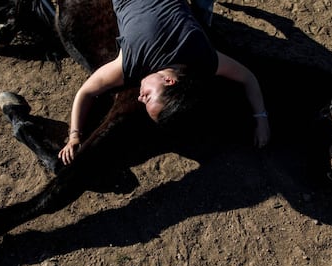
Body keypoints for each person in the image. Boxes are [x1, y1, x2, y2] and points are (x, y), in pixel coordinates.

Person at [58, 0, 271, 165]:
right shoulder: (132, 59)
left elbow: (247, 78)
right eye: (148, 96)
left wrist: (261, 118)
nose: (140, 97)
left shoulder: (203, 55)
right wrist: (74, 136)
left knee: (201, 16)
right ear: (169, 81)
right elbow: (85, 92)